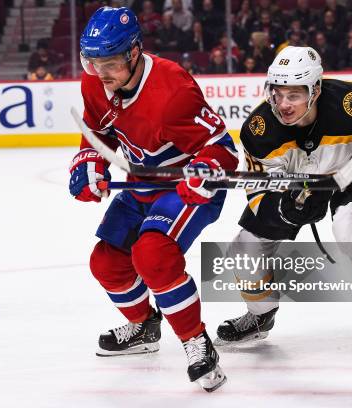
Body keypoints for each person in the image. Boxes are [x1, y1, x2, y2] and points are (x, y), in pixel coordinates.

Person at [214, 46, 352, 383]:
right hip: (297, 187)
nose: (283, 104)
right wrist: (286, 210)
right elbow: (258, 194)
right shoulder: (258, 130)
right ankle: (260, 315)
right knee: (243, 251)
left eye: (295, 95)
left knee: (351, 228)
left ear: (315, 90)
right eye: (277, 93)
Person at [70, 6, 238, 392]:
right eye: (92, 62)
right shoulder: (95, 81)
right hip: (142, 184)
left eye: (109, 62)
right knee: (106, 263)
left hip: (186, 189)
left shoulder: (173, 90)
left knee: (153, 255)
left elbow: (223, 149)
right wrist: (90, 162)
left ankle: (197, 341)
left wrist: (205, 170)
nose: (100, 73)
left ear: (133, 53)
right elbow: (99, 131)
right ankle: (144, 327)